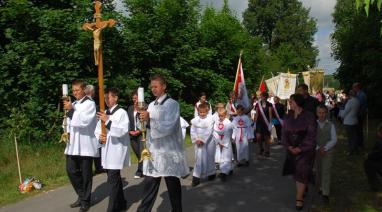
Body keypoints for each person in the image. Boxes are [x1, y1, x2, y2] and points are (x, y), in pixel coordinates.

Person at [137, 75, 189, 212]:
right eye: (151, 86)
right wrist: (140, 116)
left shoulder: (172, 104)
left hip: (168, 152)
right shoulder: (151, 106)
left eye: (156, 86)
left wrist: (150, 120)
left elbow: (169, 126)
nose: (153, 89)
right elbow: (143, 127)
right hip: (154, 152)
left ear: (164, 86)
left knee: (173, 188)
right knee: (149, 186)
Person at [63, 80, 99, 212]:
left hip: (85, 144)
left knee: (85, 174)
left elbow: (84, 121)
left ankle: (85, 200)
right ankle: (82, 195)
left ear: (84, 90)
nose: (74, 93)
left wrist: (71, 111)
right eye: (73, 91)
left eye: (77, 90)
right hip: (73, 144)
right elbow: (66, 120)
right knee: (71, 170)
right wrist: (65, 130)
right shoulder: (74, 104)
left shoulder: (90, 104)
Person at [95, 88, 130, 212]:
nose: (106, 100)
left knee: (113, 180)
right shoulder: (104, 112)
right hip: (106, 150)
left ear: (115, 98)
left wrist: (108, 121)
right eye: (104, 98)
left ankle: (112, 208)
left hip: (116, 150)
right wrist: (100, 137)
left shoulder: (121, 113)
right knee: (114, 178)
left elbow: (122, 130)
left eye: (108, 97)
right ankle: (121, 203)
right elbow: (97, 129)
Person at [282, 93, 317, 211]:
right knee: (297, 173)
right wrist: (289, 146)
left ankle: (299, 198)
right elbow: (284, 134)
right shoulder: (287, 116)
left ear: (297, 102)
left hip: (306, 151)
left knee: (302, 172)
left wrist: (300, 148)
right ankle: (303, 188)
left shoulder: (309, 116)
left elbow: (311, 135)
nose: (289, 103)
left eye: (291, 101)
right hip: (292, 150)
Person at [314, 105, 337, 203]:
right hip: (317, 150)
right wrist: (319, 148)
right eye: (320, 113)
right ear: (317, 113)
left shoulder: (331, 125)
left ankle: (325, 193)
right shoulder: (313, 124)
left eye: (323, 113)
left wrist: (325, 148)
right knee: (319, 169)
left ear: (326, 113)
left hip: (328, 150)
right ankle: (320, 187)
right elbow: (311, 138)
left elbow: (334, 139)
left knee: (326, 170)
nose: (322, 115)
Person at [190, 103, 215, 187]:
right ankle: (196, 178)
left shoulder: (210, 120)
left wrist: (203, 140)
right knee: (198, 159)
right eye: (201, 112)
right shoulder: (195, 120)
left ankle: (211, 173)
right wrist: (196, 139)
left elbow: (209, 130)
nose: (202, 114)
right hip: (198, 142)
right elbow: (192, 130)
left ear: (207, 112)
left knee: (209, 158)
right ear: (198, 112)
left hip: (208, 142)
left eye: (204, 112)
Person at [85, 84, 104, 175]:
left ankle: (98, 166)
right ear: (91, 92)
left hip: (92, 128)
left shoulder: (89, 101)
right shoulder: (89, 102)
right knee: (93, 147)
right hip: (91, 128)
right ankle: (95, 167)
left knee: (96, 146)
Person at [213, 108, 234, 182]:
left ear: (225, 115)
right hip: (219, 141)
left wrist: (223, 143)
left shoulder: (228, 123)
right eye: (219, 116)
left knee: (226, 157)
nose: (220, 117)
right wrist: (218, 141)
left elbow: (228, 133)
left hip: (226, 142)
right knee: (221, 157)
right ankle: (229, 169)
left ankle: (224, 173)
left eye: (222, 116)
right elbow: (214, 131)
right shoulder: (217, 122)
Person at [127, 90, 144, 179]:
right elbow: (128, 121)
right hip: (132, 134)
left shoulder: (144, 107)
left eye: (136, 98)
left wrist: (140, 131)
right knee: (137, 153)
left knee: (141, 152)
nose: (134, 100)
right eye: (133, 98)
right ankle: (145, 167)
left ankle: (139, 171)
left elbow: (145, 121)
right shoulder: (130, 108)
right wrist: (129, 131)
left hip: (141, 134)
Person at [339, 90, 360, 155]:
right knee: (355, 137)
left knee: (350, 138)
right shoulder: (357, 101)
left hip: (349, 122)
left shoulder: (350, 101)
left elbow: (346, 111)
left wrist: (341, 115)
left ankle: (351, 151)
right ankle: (355, 150)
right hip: (355, 120)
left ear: (350, 95)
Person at [254, 92, 273, 158]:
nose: (263, 98)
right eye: (262, 96)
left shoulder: (269, 104)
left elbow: (270, 114)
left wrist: (270, 123)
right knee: (258, 137)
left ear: (266, 97)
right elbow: (256, 114)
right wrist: (254, 123)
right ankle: (261, 148)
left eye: (264, 96)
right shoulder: (258, 104)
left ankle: (267, 151)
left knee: (266, 137)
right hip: (259, 122)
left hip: (266, 123)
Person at [364, 124, 382, 191]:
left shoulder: (380, 142)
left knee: (367, 163)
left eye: (378, 132)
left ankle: (375, 186)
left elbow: (375, 154)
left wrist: (368, 155)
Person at [353, 82, 367, 149]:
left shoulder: (361, 95)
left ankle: (360, 144)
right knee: (358, 130)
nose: (353, 89)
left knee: (359, 130)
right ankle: (359, 143)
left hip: (360, 114)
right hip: (358, 114)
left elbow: (359, 104)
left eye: (354, 87)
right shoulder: (359, 94)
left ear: (357, 87)